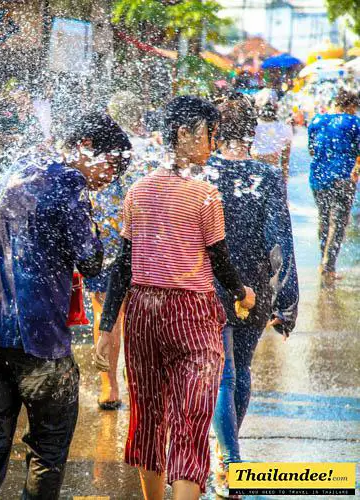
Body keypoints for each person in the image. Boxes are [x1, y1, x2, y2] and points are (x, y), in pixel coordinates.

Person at [0, 113, 130, 499]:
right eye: (112, 165)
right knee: (47, 452)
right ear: (85, 147)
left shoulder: (19, 169)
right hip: (39, 342)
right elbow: (89, 260)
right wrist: (104, 235)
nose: (110, 178)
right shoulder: (71, 185)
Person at [96, 96, 256, 500]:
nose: (212, 144)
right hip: (193, 314)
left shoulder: (137, 190)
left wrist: (107, 325)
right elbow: (220, 262)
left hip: (143, 313)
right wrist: (242, 293)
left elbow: (123, 266)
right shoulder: (205, 195)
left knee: (148, 416)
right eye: (208, 135)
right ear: (183, 134)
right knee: (191, 418)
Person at [206, 94, 299, 498]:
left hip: (209, 282)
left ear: (215, 132)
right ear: (252, 132)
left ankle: (229, 461)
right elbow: (282, 241)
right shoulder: (265, 176)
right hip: (256, 287)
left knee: (222, 373)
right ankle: (230, 452)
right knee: (240, 369)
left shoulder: (202, 173)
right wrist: (287, 302)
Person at [82, 114, 133, 410]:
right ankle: (121, 381)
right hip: (123, 241)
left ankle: (109, 385)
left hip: (103, 243)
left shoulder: (90, 168)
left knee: (104, 308)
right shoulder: (126, 161)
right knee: (126, 311)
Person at [308, 89, 360, 285]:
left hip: (318, 178)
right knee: (338, 223)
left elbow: (312, 150)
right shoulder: (354, 122)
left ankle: (324, 261)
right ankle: (329, 267)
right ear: (351, 106)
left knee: (323, 218)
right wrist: (356, 170)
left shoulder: (316, 121)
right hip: (343, 179)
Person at [251, 89, 293, 180]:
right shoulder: (284, 128)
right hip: (273, 173)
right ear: (276, 106)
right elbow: (285, 162)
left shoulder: (251, 127)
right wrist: (284, 182)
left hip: (254, 172)